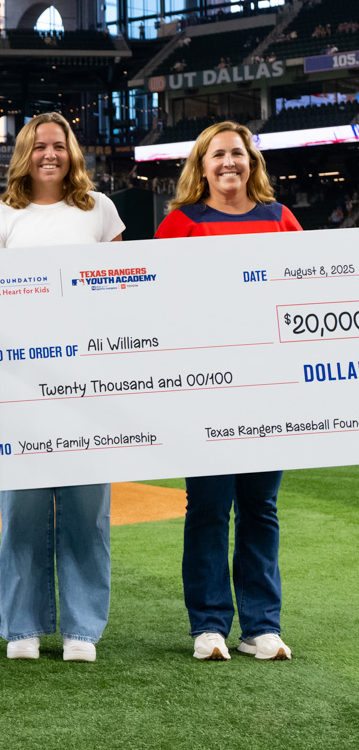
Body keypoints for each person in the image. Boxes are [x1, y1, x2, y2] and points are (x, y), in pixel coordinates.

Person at [0, 111, 123, 663]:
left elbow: (121, 290)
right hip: (19, 384)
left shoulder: (100, 210)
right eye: (38, 147)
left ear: (72, 151)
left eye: (58, 145)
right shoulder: (0, 215)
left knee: (88, 510)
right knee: (24, 512)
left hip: (87, 380)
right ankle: (22, 626)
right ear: (24, 155)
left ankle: (82, 628)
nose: (49, 154)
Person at [155, 121, 300, 662]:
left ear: (251, 162)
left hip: (267, 389)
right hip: (204, 391)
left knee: (260, 508)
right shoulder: (180, 223)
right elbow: (155, 303)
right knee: (209, 509)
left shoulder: (280, 218)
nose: (228, 163)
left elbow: (307, 290)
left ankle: (261, 627)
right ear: (202, 165)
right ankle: (210, 625)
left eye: (237, 153)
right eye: (217, 155)